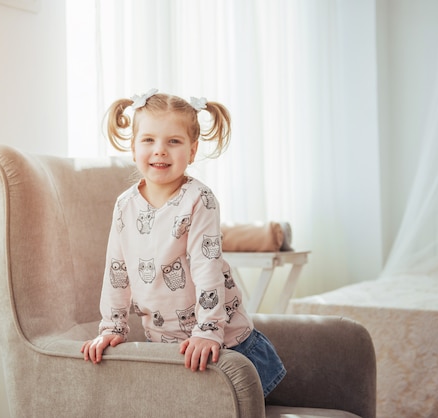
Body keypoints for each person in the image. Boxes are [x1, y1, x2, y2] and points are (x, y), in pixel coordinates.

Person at [80, 89, 286, 397]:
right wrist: (113, 327)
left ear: (192, 151)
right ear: (133, 147)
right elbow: (117, 269)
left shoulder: (199, 199)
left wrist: (208, 331)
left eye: (173, 141)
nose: (160, 150)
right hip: (165, 348)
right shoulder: (125, 205)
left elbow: (207, 268)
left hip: (226, 345)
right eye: (148, 140)